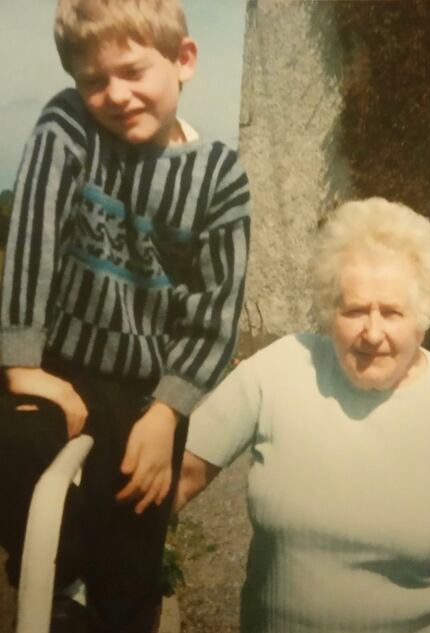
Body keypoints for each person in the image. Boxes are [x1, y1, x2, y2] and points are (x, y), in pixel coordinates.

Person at [0, 0, 250, 631]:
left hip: (146, 394)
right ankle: (57, 586)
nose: (115, 94)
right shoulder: (69, 127)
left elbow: (215, 314)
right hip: (55, 363)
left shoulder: (220, 177)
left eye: (134, 72)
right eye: (94, 80)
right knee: (26, 478)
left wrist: (169, 411)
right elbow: (32, 236)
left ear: (183, 61)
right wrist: (22, 366)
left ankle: (107, 598)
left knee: (132, 565)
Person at [175, 198, 430, 633]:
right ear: (329, 312)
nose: (372, 333)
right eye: (355, 310)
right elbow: (176, 474)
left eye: (392, 312)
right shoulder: (279, 370)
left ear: (422, 317)